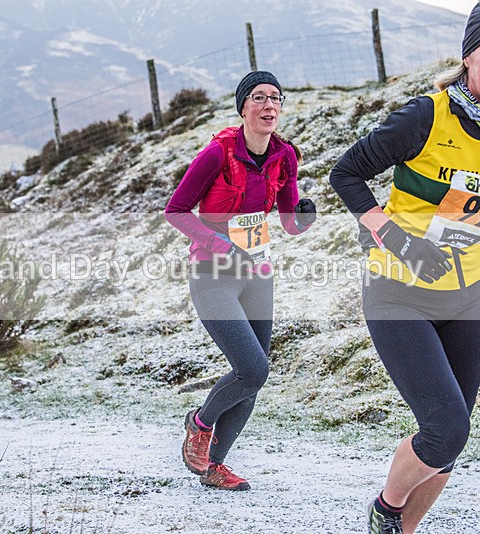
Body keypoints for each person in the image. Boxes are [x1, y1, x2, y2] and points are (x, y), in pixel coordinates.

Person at [329, 1, 480, 532]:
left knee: (453, 437)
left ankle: (401, 530)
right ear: (468, 56)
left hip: (465, 294)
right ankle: (385, 509)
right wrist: (397, 239)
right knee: (446, 428)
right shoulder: (426, 115)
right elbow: (347, 174)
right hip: (398, 289)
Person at [165, 71, 316, 490]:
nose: (270, 105)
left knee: (254, 377)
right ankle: (199, 422)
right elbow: (175, 210)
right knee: (251, 368)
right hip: (213, 275)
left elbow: (287, 223)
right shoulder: (217, 153)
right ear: (243, 108)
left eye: (276, 98)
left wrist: (304, 215)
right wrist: (217, 244)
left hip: (258, 274)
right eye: (259, 97)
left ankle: (214, 466)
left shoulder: (285, 156)